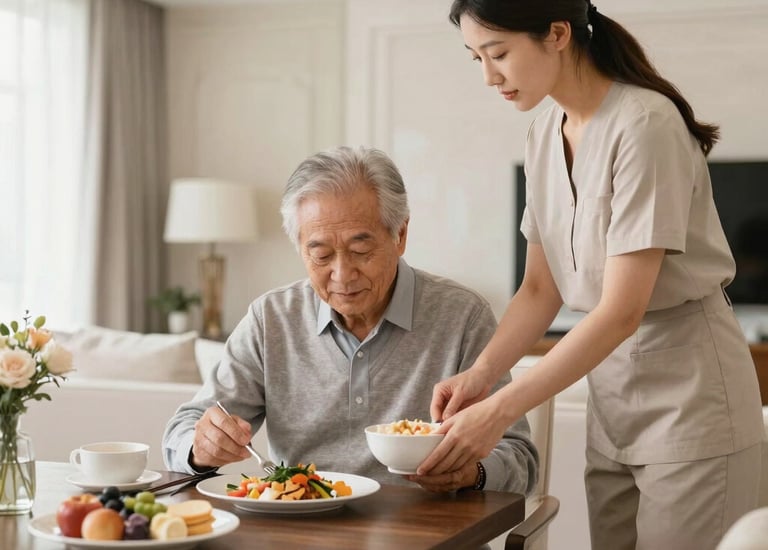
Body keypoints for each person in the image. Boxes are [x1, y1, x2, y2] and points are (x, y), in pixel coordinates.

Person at [420, 2, 764, 549]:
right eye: (476, 58)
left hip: (691, 396)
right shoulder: (542, 136)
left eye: (499, 53)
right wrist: (480, 375)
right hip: (612, 395)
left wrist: (501, 409)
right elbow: (541, 287)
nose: (489, 76)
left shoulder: (645, 124)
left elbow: (622, 311)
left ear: (557, 33)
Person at [162, 145, 538, 495]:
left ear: (400, 234)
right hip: (303, 533)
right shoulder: (271, 319)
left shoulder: (462, 316)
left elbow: (519, 457)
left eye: (360, 250)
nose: (342, 275)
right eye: (322, 256)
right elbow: (184, 429)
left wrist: (473, 474)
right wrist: (201, 447)